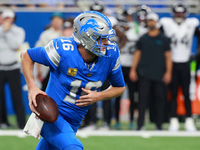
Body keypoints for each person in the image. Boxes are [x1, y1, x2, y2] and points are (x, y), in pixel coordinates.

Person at [21, 11, 125, 150]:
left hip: (73, 122)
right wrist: (32, 88)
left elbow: (120, 87)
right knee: (73, 147)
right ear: (87, 38)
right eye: (102, 38)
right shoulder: (63, 49)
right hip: (50, 116)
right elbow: (26, 55)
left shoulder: (111, 53)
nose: (107, 43)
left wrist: (98, 96)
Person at [159, 2, 200, 131]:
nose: (179, 15)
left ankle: (189, 119)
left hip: (186, 62)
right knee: (173, 93)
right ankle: (174, 119)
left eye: (181, 12)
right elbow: (159, 38)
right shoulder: (166, 23)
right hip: (171, 63)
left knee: (187, 93)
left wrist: (197, 54)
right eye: (177, 12)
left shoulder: (192, 23)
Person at [129, 12, 172, 130]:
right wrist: (133, 69)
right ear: (147, 22)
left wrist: (168, 72)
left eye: (153, 20)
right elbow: (137, 54)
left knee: (160, 100)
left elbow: (168, 56)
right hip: (145, 73)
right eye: (149, 21)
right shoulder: (143, 38)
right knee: (142, 100)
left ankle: (159, 124)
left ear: (157, 22)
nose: (151, 23)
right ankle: (140, 124)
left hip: (159, 73)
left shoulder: (164, 38)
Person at [0, 8, 26, 129]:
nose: (7, 20)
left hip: (13, 67)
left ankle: (21, 123)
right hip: (0, 68)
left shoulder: (18, 31)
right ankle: (2, 122)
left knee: (17, 96)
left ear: (13, 19)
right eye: (5, 18)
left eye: (9, 18)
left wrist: (7, 32)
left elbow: (15, 45)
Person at [35, 12, 64, 91]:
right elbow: (38, 52)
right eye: (55, 19)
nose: (57, 21)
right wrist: (38, 70)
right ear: (51, 21)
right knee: (45, 91)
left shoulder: (66, 34)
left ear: (62, 21)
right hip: (46, 67)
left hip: (61, 68)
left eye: (59, 19)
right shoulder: (45, 34)